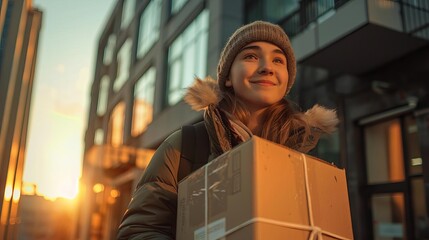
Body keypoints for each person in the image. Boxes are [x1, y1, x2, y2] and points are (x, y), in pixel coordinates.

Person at [117, 20, 339, 239]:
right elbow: (137, 232)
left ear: (287, 79)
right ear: (228, 78)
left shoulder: (303, 155)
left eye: (278, 60)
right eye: (251, 56)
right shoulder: (183, 146)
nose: (267, 68)